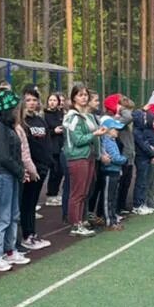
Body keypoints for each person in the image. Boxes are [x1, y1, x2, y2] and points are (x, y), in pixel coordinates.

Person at [0, 89, 28, 271]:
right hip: (1, 174)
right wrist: (19, 170)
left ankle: (10, 250)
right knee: (2, 217)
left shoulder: (7, 127)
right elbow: (2, 156)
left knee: (13, 215)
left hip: (10, 174)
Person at [62, 85, 103, 237]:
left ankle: (81, 220)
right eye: (80, 95)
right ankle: (75, 224)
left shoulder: (86, 116)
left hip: (88, 156)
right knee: (77, 192)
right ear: (74, 98)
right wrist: (95, 134)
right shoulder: (72, 116)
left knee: (85, 192)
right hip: (77, 156)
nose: (84, 98)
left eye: (85, 95)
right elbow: (77, 139)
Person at [20, 89, 53, 250]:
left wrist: (47, 163)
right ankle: (27, 235)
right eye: (28, 100)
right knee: (26, 203)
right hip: (29, 169)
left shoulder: (40, 121)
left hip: (41, 168)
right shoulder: (21, 122)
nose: (32, 103)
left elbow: (46, 143)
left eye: (34, 100)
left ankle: (32, 233)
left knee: (32, 203)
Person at [97, 116, 128, 230]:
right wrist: (124, 159)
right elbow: (115, 157)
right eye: (115, 129)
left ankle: (112, 218)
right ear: (108, 130)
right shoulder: (107, 141)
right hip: (109, 171)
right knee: (108, 198)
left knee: (113, 197)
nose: (117, 131)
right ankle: (109, 221)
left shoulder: (112, 141)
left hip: (114, 171)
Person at [131, 103, 154, 216]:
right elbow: (143, 145)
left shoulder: (141, 131)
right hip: (141, 158)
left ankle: (142, 203)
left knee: (143, 182)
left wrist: (151, 151)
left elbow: (146, 143)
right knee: (141, 182)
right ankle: (138, 204)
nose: (144, 119)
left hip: (145, 158)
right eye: (142, 117)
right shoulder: (137, 132)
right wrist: (152, 153)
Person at [43, 92, 66, 206]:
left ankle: (55, 194)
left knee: (60, 171)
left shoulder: (61, 114)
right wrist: (54, 131)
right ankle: (50, 195)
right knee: (53, 171)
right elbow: (44, 130)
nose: (52, 102)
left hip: (60, 145)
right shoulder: (44, 114)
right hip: (51, 146)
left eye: (55, 100)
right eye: (50, 100)